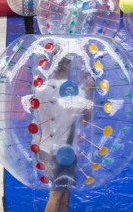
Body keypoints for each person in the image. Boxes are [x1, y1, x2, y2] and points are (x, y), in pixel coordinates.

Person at [37, 55, 94, 212]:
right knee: (56, 195)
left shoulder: (39, 88)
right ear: (69, 65)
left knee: (64, 192)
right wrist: (89, 91)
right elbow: (87, 116)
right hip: (64, 154)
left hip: (44, 149)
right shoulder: (76, 93)